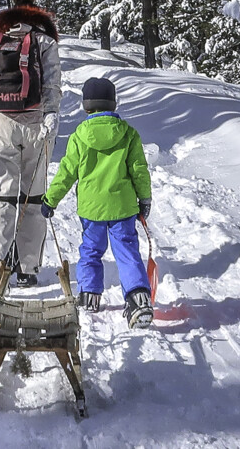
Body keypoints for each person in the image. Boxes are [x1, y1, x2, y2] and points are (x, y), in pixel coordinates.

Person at [42, 76, 155, 328]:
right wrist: (144, 198)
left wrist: (51, 200)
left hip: (91, 209)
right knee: (126, 251)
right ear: (113, 104)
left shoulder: (80, 136)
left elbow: (67, 173)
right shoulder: (128, 134)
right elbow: (139, 170)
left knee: (91, 250)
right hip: (123, 207)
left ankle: (89, 295)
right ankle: (138, 299)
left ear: (86, 106)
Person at [0, 0, 61, 286]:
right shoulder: (44, 40)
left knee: (2, 195)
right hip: (36, 123)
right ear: (35, 6)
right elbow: (51, 84)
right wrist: (51, 118)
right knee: (32, 197)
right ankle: (28, 268)